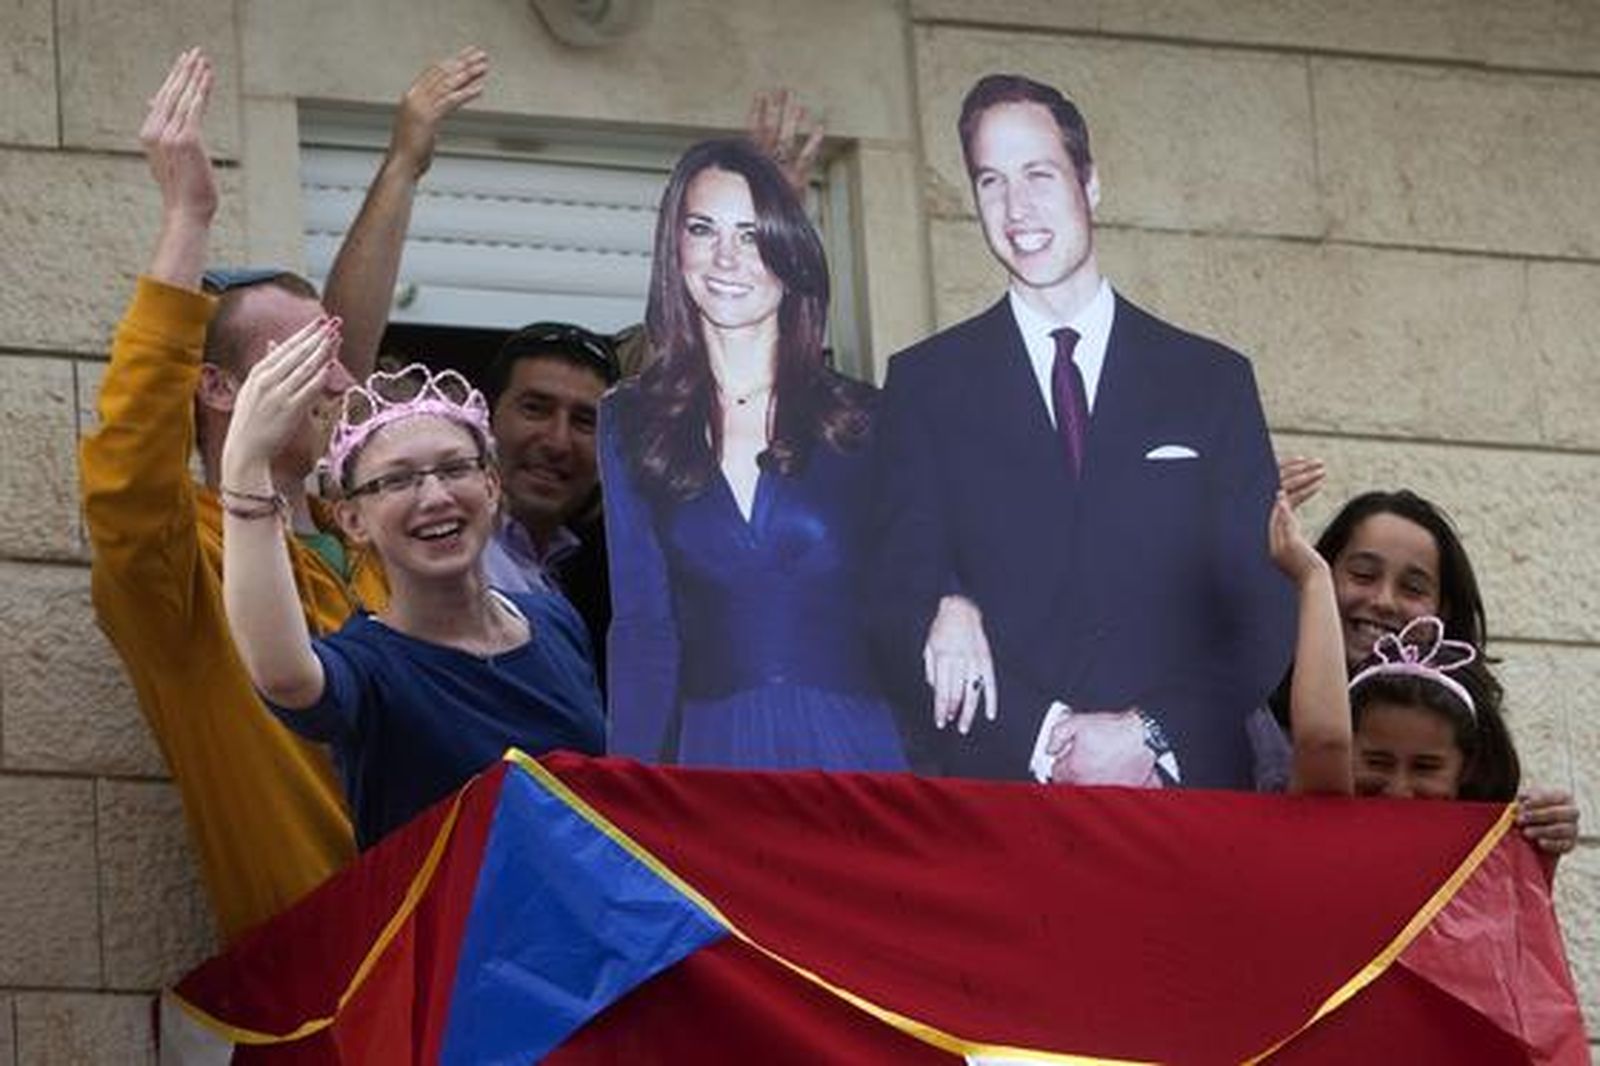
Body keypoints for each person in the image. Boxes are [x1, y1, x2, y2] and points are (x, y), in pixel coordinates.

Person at [79, 47, 486, 940]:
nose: (343, 380)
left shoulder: (379, 546)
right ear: (218, 389)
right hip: (325, 986)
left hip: (474, 963)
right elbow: (127, 468)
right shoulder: (181, 568)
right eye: (306, 359)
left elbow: (358, 378)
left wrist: (403, 163)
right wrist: (188, 215)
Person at [872, 73, 1293, 787]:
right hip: (1003, 800)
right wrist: (1048, 743)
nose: (1016, 207)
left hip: (1186, 799)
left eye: (1039, 173)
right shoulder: (925, 385)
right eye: (990, 181)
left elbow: (1261, 606)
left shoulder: (1210, 380)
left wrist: (1148, 734)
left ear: (1090, 183)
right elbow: (893, 598)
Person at [601, 138, 907, 771]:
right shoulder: (629, 419)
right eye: (703, 229)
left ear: (789, 252)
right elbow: (641, 628)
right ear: (674, 246)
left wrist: (959, 607)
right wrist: (627, 786)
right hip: (710, 758)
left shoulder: (869, 418)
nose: (726, 258)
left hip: (860, 752)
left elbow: (917, 588)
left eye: (750, 234)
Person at [221, 348, 604, 848]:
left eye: (454, 469)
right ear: (353, 521)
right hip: (460, 928)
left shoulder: (554, 620)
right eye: (397, 480)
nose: (435, 497)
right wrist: (246, 463)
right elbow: (284, 675)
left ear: (491, 487)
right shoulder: (369, 666)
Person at [1271, 488, 1579, 855]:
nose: (1383, 601)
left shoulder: (1467, 734)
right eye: (1363, 574)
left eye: (1413, 588)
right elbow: (1323, 740)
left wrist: (1542, 834)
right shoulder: (1255, 720)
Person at [481, 323, 620, 685]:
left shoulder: (583, 576)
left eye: (584, 422)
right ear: (485, 419)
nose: (558, 442)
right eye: (535, 409)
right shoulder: (445, 558)